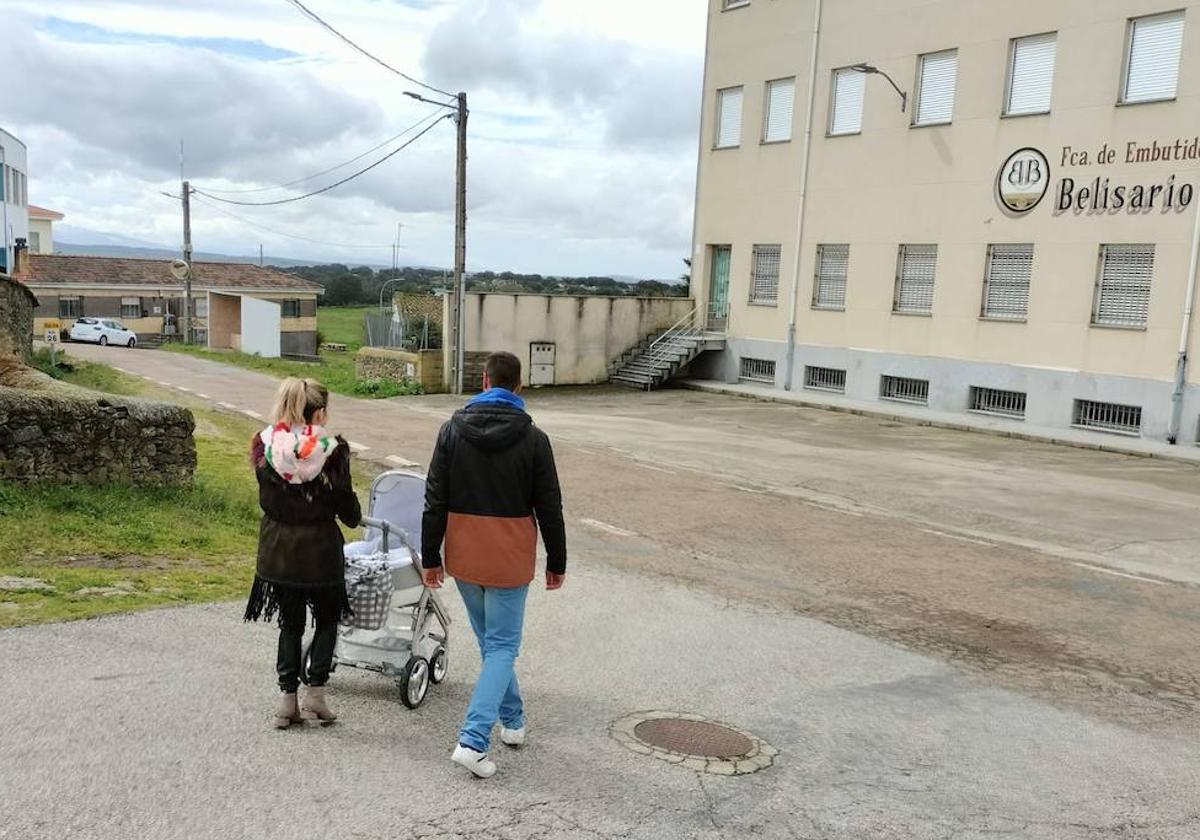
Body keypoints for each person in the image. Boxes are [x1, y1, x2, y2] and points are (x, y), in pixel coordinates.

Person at [422, 351, 567, 779]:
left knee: (493, 644)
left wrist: (432, 557)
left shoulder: (451, 431)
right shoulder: (535, 439)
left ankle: (515, 721)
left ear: (485, 381)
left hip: (464, 552)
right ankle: (473, 740)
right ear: (518, 386)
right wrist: (556, 561)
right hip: (509, 554)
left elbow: (434, 499)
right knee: (502, 647)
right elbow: (550, 506)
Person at [243, 377, 361, 729]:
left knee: (290, 623)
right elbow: (349, 512)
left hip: (278, 549)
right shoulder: (332, 450)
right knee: (326, 620)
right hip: (321, 551)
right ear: (320, 413)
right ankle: (315, 696)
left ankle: (286, 701)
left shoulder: (264, 445)